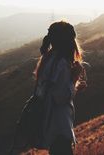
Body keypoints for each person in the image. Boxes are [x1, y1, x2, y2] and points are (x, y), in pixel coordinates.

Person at [33, 21, 87, 155]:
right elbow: (61, 97)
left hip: (49, 125)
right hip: (59, 127)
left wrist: (75, 87)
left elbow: (52, 91)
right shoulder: (61, 63)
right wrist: (75, 78)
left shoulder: (48, 59)